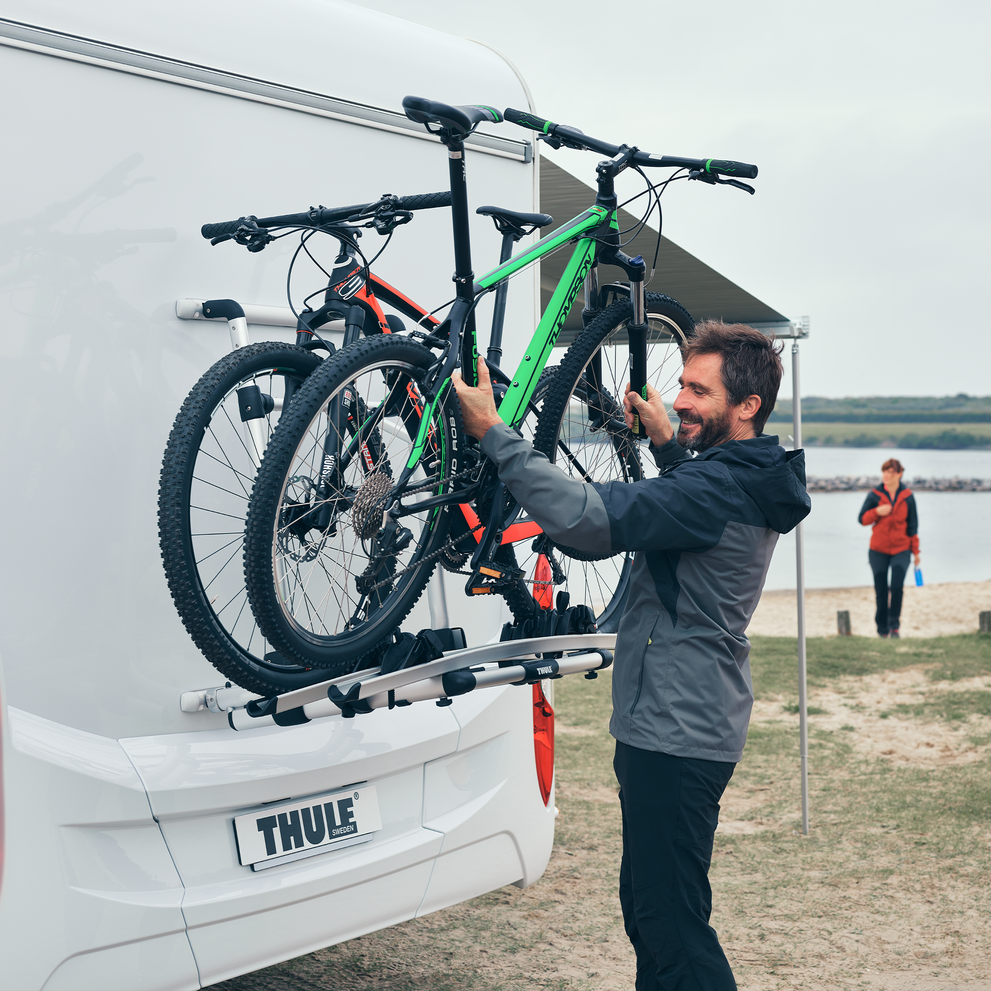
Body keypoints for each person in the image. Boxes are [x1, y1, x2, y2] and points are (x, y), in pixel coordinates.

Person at [453, 321, 811, 991]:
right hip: (681, 718)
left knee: (670, 925)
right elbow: (696, 513)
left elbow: (588, 520)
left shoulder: (713, 492)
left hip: (676, 729)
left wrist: (493, 435)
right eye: (681, 383)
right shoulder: (742, 474)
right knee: (651, 911)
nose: (679, 397)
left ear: (747, 407)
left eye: (696, 390)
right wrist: (670, 445)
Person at [858, 458, 920, 639]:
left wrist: (916, 552)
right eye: (884, 471)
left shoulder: (908, 496)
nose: (886, 475)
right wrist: (876, 512)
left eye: (890, 472)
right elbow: (861, 519)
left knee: (897, 587)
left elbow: (913, 526)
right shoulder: (875, 495)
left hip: (902, 549)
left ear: (899, 474)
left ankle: (894, 627)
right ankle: (882, 628)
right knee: (881, 590)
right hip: (878, 550)